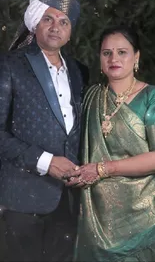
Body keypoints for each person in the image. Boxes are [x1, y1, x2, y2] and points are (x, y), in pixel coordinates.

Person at [0, 0, 88, 262]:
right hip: (21, 202)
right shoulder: (10, 65)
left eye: (64, 21)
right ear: (35, 22)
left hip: (67, 201)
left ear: (71, 30)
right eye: (49, 18)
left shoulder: (78, 71)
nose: (56, 27)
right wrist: (47, 162)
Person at [63, 25, 155, 262]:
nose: (114, 58)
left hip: (141, 218)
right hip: (95, 217)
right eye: (107, 53)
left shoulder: (150, 98)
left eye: (122, 52)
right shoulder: (90, 96)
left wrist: (102, 169)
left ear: (136, 57)